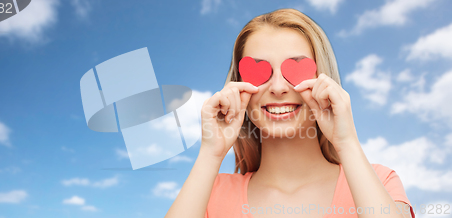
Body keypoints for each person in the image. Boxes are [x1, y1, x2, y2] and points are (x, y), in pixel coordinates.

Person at [165, 8, 415, 218]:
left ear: (323, 81)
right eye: (259, 72)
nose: (277, 88)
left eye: (296, 69)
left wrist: (346, 142)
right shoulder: (210, 194)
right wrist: (211, 153)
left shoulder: (380, 182)